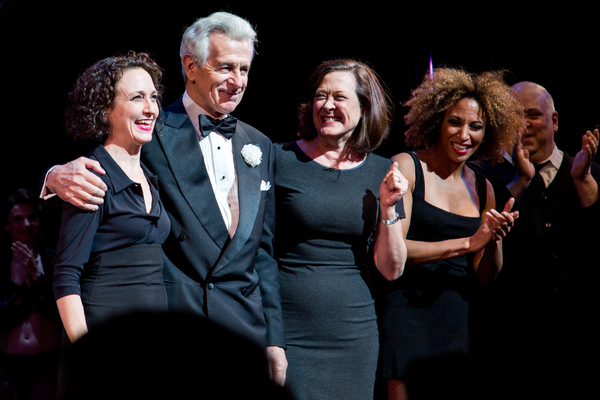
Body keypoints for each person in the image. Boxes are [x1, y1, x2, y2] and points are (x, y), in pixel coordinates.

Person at [42, 12, 287, 383]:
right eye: (225, 67)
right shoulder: (148, 130)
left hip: (243, 329)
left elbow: (263, 253)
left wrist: (275, 341)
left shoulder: (260, 145)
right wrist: (52, 176)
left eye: (245, 69)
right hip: (173, 329)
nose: (237, 81)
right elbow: (89, 167)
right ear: (190, 66)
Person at [374, 68, 522, 400]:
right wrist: (468, 243)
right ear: (438, 121)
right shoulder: (408, 167)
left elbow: (484, 277)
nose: (464, 134)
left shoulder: (484, 188)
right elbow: (394, 252)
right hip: (406, 314)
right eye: (455, 122)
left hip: (458, 319)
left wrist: (494, 239)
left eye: (476, 126)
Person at [275, 59, 408, 400]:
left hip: (353, 332)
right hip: (289, 326)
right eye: (321, 96)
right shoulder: (280, 160)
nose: (328, 106)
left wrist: (388, 208)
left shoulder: (382, 172)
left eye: (339, 97)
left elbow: (392, 270)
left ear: (364, 109)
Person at [469, 81, 600, 396]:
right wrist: (521, 181)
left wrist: (582, 181)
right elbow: (485, 256)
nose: (524, 125)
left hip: (583, 339)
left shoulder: (588, 172)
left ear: (554, 121)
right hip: (518, 346)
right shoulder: (489, 180)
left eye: (533, 115)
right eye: (515, 117)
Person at [52, 52, 170, 344]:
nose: (150, 109)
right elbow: (66, 276)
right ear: (105, 109)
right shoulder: (91, 178)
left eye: (153, 97)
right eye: (136, 98)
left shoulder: (149, 177)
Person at [0, 188, 62, 400]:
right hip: (8, 363)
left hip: (46, 363)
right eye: (18, 219)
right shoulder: (2, 263)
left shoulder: (53, 259)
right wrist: (17, 285)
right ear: (7, 224)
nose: (26, 224)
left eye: (31, 217)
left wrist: (36, 276)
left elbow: (59, 312)